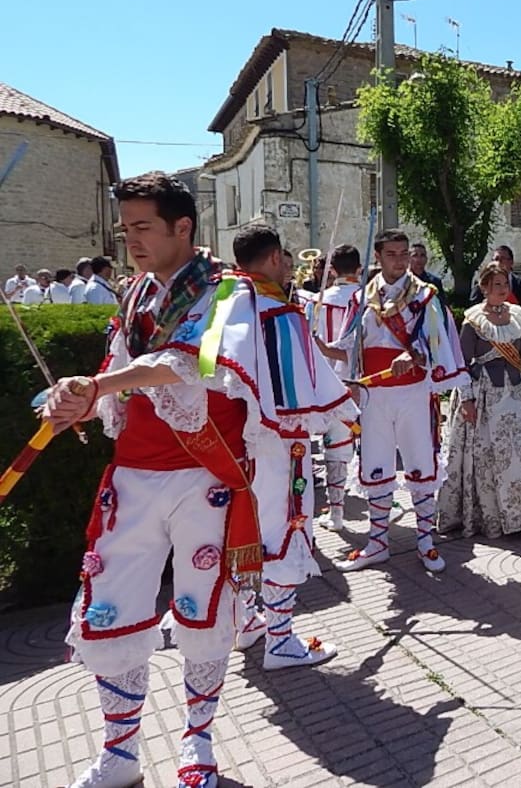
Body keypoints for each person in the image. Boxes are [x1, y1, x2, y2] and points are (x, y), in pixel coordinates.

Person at [42, 171, 278, 788]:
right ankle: (120, 753)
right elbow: (118, 371)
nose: (131, 241)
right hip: (134, 476)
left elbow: (188, 363)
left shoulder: (229, 292)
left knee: (204, 612)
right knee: (112, 606)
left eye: (143, 227)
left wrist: (98, 385)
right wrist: (78, 400)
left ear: (183, 227)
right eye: (126, 230)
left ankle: (199, 742)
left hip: (206, 478)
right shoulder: (136, 294)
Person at [225, 225, 355, 669]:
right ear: (275, 258)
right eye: (285, 259)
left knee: (242, 533)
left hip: (232, 447)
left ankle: (245, 620)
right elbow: (304, 386)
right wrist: (344, 405)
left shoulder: (223, 305)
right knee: (285, 528)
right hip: (279, 443)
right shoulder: (280, 313)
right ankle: (280, 641)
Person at [320, 229, 468, 573]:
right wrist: (322, 347)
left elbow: (439, 344)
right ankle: (377, 543)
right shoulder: (361, 298)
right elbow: (350, 347)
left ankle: (426, 542)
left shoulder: (426, 297)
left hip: (413, 393)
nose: (400, 260)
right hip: (374, 395)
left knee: (420, 463)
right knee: (376, 464)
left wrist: (413, 355)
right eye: (392, 254)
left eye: (404, 253)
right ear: (378, 257)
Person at [439, 262, 521, 538]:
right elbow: (462, 363)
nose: (503, 289)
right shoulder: (473, 321)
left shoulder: (518, 317)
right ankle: (490, 518)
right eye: (497, 284)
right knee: (488, 457)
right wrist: (467, 400)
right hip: (485, 394)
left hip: (517, 393)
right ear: (484, 287)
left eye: (505, 284)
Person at [308, 243, 363, 532]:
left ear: (331, 270)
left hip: (330, 386)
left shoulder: (317, 302)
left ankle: (337, 514)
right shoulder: (370, 299)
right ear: (359, 269)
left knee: (335, 450)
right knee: (374, 447)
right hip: (369, 383)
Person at [469, 244, 521, 313]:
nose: (498, 262)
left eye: (502, 259)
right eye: (496, 259)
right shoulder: (482, 283)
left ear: (511, 262)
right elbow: (474, 306)